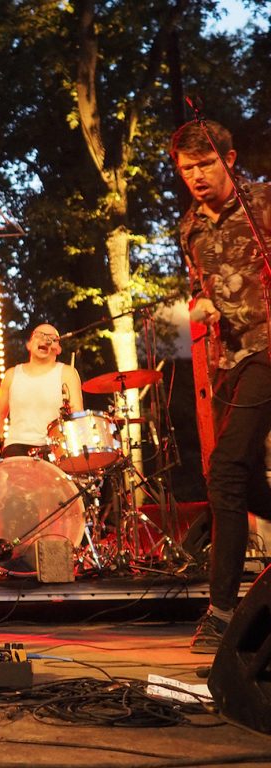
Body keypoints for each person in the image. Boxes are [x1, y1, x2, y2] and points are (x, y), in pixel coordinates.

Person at [171, 120, 271, 653]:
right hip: (231, 360)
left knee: (226, 471)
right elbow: (200, 287)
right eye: (187, 168)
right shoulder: (189, 228)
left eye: (205, 163)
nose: (197, 175)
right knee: (242, 482)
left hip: (268, 350)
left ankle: (222, 614)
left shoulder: (263, 204)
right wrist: (200, 306)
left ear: (229, 160)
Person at [0, 324, 84, 459]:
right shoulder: (12, 374)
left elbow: (77, 414)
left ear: (58, 349)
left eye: (52, 339)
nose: (46, 340)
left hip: (54, 448)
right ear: (29, 344)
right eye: (39, 335)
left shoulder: (68, 373)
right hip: (16, 446)